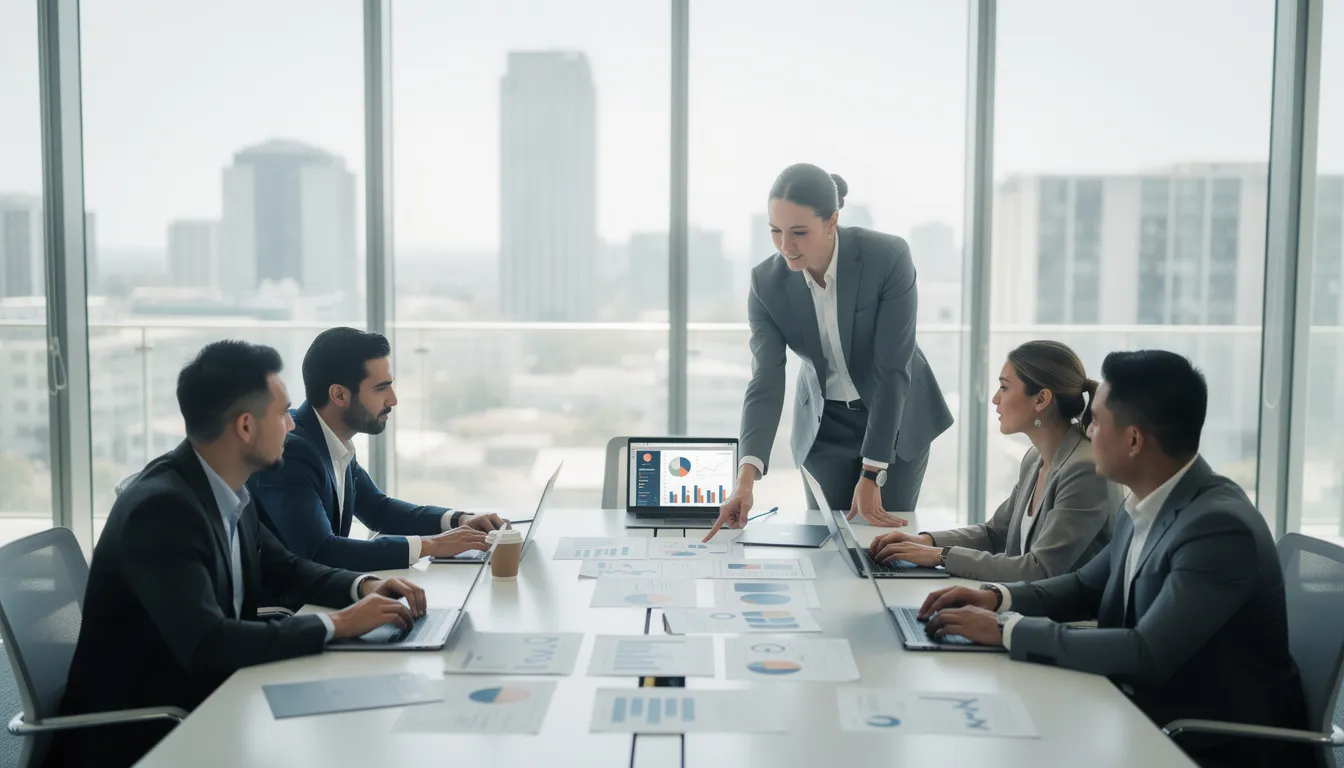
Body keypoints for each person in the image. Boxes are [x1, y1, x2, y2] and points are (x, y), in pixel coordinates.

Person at [918, 350, 1308, 768]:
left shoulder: (1218, 529)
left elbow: (1147, 654)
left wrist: (1008, 631)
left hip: (1209, 743)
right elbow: (1086, 585)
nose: (1086, 430)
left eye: (1097, 421)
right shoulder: (1144, 499)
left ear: (1134, 440)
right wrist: (997, 599)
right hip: (1141, 711)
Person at [51, 341, 430, 768]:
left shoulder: (227, 487)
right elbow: (209, 644)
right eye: (283, 413)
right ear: (246, 426)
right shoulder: (162, 511)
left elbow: (285, 567)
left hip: (215, 698)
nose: (292, 426)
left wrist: (362, 586)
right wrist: (338, 624)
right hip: (149, 734)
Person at [706, 163, 953, 541]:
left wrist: (872, 472)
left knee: (885, 545)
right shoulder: (766, 283)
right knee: (827, 544)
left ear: (832, 221)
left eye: (799, 232)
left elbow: (892, 368)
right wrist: (745, 480)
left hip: (897, 415)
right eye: (776, 231)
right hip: (824, 424)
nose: (786, 245)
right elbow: (766, 381)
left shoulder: (886, 257)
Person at [249, 327, 505, 572]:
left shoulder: (334, 440)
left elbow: (378, 510)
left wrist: (458, 520)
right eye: (381, 388)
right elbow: (320, 551)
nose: (393, 399)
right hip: (292, 609)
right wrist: (432, 545)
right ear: (339, 395)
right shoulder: (292, 451)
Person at [869, 341, 1121, 581]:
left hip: (1071, 620)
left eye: (1004, 387)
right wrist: (926, 541)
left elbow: (1040, 569)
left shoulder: (1085, 468)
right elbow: (995, 533)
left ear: (1041, 399)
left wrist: (940, 556)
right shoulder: (1035, 458)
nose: (994, 399)